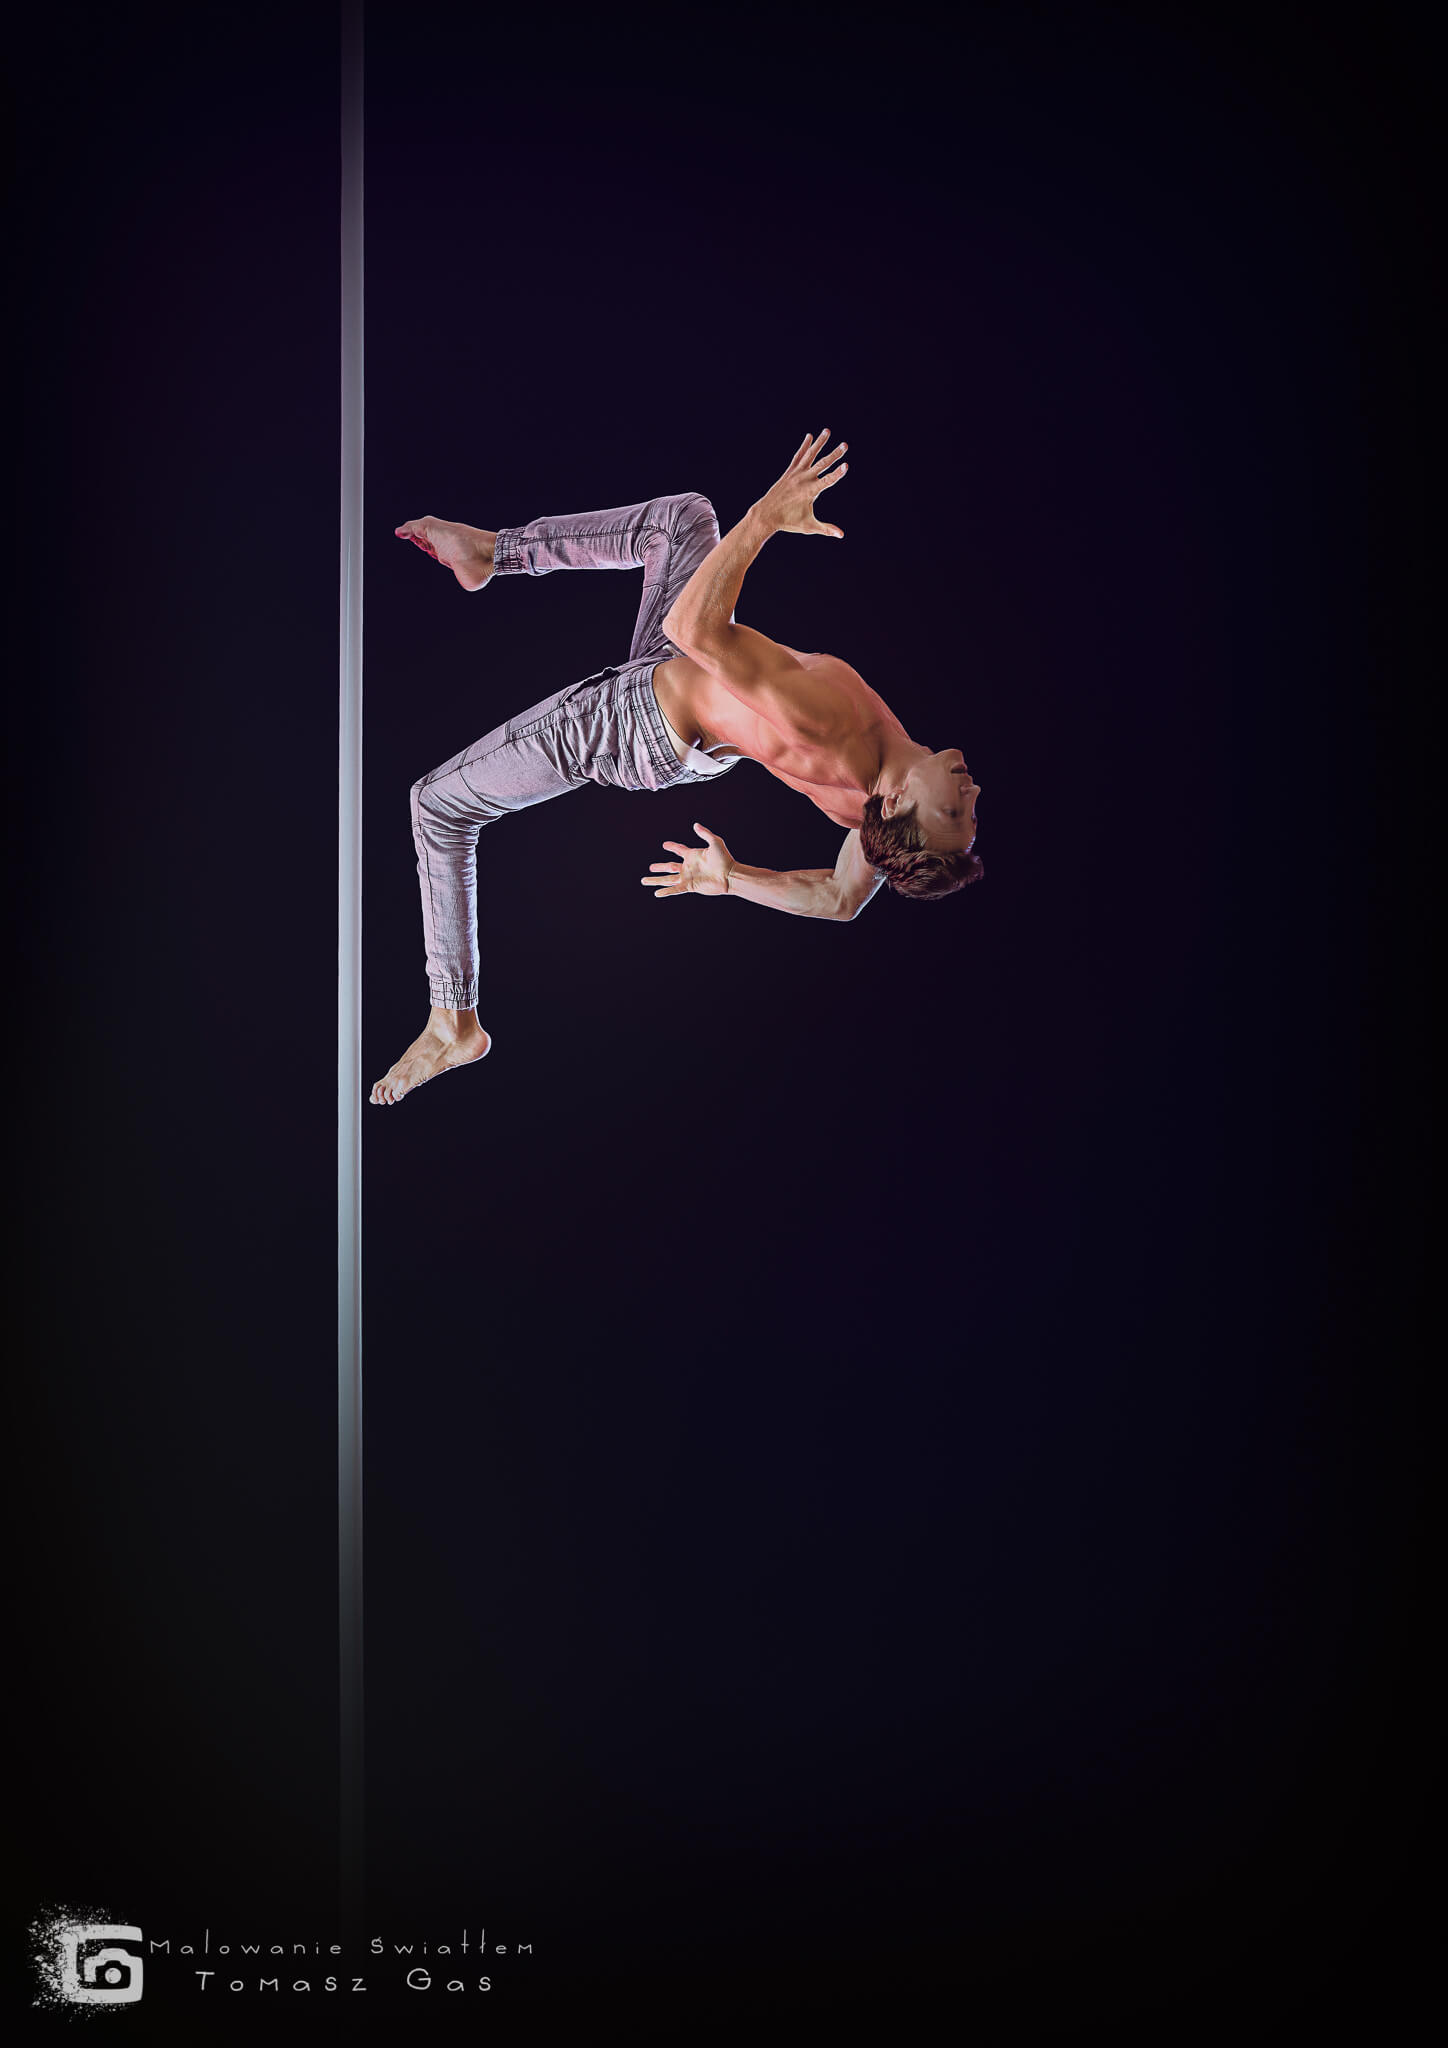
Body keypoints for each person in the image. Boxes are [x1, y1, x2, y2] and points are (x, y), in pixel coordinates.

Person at [371, 430, 982, 1106]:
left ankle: (452, 1022)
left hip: (634, 721)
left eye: (953, 809)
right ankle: (492, 552)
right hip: (679, 687)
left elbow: (692, 628)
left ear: (898, 802)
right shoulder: (873, 810)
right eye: (971, 809)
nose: (972, 790)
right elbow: (841, 900)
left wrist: (765, 518)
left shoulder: (830, 728)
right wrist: (732, 879)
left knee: (439, 805)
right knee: (683, 521)